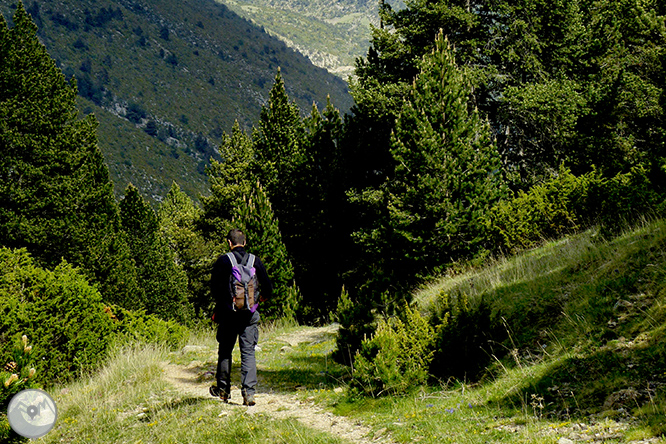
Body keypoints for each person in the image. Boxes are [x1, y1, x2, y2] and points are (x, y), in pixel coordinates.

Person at [209, 229, 273, 406]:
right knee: (248, 353)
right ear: (244, 243)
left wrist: (223, 304)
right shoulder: (255, 260)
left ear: (230, 243)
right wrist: (258, 299)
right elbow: (268, 287)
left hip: (228, 315)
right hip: (249, 315)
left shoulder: (223, 261)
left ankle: (223, 391)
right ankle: (249, 394)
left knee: (225, 352)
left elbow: (214, 289)